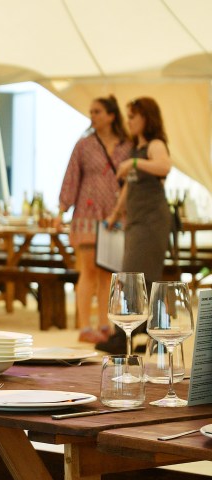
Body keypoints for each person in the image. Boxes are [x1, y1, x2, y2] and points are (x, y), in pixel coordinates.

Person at [97, 96, 173, 354]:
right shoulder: (135, 149)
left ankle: (127, 335)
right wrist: (116, 213)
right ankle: (154, 336)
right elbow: (129, 186)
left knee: (136, 277)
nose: (129, 121)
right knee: (142, 278)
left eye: (133, 116)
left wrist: (135, 162)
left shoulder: (155, 145)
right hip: (136, 221)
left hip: (152, 220)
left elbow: (165, 166)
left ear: (146, 118)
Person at [58, 95, 131, 345]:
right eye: (91, 111)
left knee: (107, 273)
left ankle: (104, 324)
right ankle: (84, 326)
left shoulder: (127, 146)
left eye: (98, 111)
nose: (93, 115)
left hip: (115, 216)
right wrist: (61, 210)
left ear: (111, 115)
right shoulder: (84, 145)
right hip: (87, 215)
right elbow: (71, 177)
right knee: (87, 269)